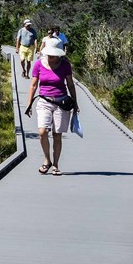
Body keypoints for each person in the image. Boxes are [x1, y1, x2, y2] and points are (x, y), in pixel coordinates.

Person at [25, 36, 78, 175]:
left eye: (54, 54)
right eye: (49, 54)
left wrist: (75, 103)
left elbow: (70, 84)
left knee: (57, 135)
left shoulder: (65, 64)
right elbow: (33, 85)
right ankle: (46, 160)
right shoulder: (39, 64)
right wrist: (29, 103)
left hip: (61, 102)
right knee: (42, 132)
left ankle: (55, 165)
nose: (51, 56)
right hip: (44, 101)